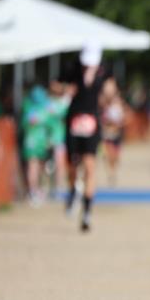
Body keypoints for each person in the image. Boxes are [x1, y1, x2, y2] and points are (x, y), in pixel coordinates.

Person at [52, 42, 115, 232]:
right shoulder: (72, 67)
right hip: (73, 120)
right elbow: (54, 85)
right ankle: (73, 191)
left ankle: (87, 211)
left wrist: (109, 95)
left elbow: (111, 92)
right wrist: (65, 90)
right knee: (72, 164)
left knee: (90, 166)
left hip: (92, 123)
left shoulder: (104, 70)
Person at [100, 81, 127, 187]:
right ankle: (110, 173)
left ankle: (113, 170)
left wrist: (119, 123)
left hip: (117, 134)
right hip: (106, 134)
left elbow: (124, 118)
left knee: (115, 157)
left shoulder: (120, 104)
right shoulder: (103, 103)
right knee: (108, 155)